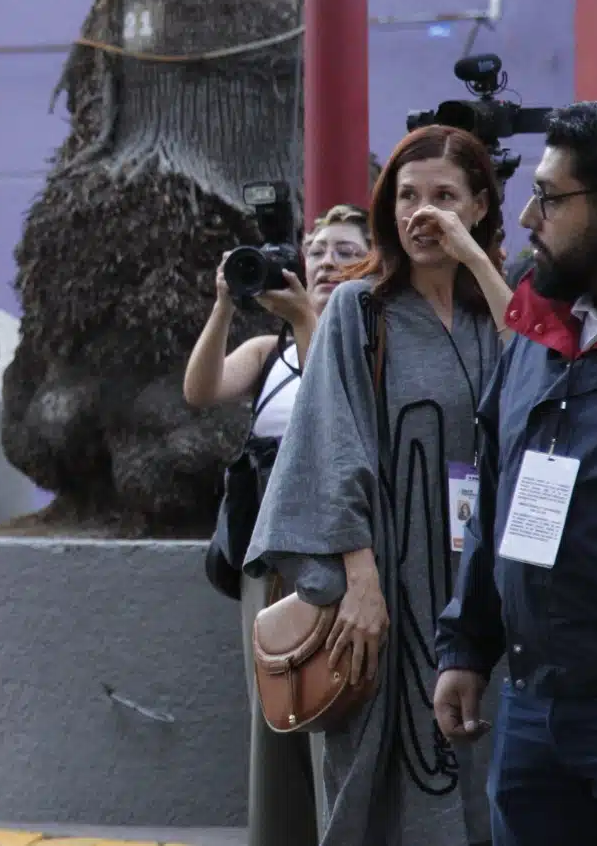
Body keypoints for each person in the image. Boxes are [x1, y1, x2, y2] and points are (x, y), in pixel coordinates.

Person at [245, 124, 512, 846]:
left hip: (488, 583)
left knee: (496, 769)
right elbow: (330, 445)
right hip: (390, 583)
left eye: (445, 197)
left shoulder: (501, 313)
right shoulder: (360, 312)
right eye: (406, 196)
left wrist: (475, 263)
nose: (422, 213)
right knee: (383, 774)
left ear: (481, 205)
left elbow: (537, 377)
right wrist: (358, 579)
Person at [434, 95, 597, 846]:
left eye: (548, 197)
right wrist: (466, 646)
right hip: (532, 712)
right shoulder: (537, 332)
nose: (529, 219)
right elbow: (500, 491)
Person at [184, 203, 371, 846]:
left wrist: (305, 319)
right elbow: (200, 390)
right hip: (267, 556)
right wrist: (223, 304)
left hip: (341, 555)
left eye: (347, 253)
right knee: (273, 713)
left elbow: (336, 405)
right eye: (317, 252)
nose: (327, 264)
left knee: (334, 704)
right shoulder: (268, 351)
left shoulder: (368, 334)